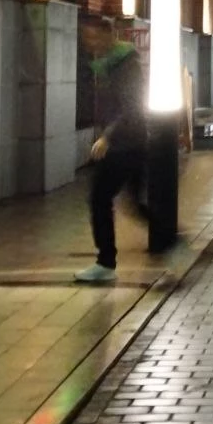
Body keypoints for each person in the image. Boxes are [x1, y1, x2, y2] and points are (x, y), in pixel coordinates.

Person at [75, 22, 149, 284]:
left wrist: (107, 136)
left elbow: (130, 107)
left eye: (94, 37)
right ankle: (171, 239)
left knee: (99, 198)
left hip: (125, 144)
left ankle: (105, 263)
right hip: (130, 142)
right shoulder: (107, 65)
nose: (90, 44)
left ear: (109, 35)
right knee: (136, 204)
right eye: (87, 39)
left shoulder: (125, 65)